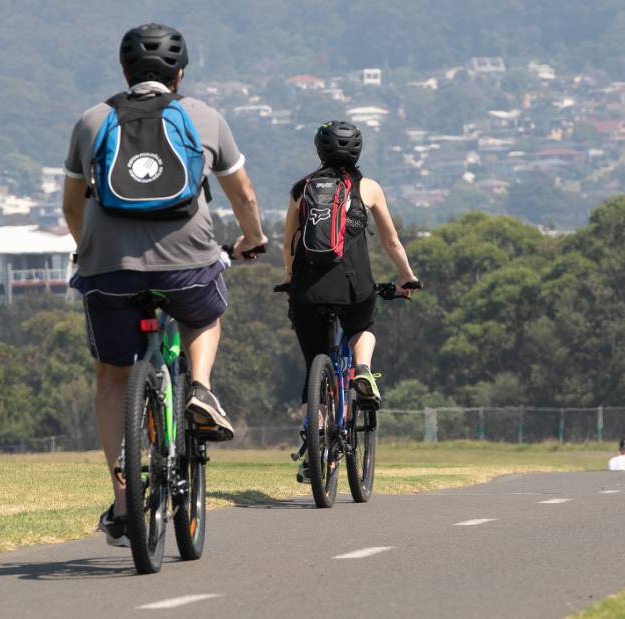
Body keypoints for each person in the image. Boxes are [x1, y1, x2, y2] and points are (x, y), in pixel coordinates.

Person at [62, 22, 267, 547]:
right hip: (187, 261)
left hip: (108, 269)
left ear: (125, 71)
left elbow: (71, 205)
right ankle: (198, 389)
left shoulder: (92, 120)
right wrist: (253, 238)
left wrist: (89, 250)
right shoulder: (203, 117)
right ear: (180, 73)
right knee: (204, 314)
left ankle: (125, 500)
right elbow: (241, 193)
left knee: (111, 376)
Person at [281, 121, 419, 479]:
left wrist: (288, 278)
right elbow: (391, 242)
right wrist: (407, 277)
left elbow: (289, 246)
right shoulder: (368, 188)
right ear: (358, 152)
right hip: (353, 285)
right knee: (364, 324)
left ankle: (315, 447)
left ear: (319, 151)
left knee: (316, 361)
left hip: (307, 291)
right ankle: (361, 370)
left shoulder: (302, 188)